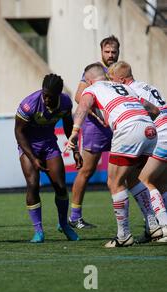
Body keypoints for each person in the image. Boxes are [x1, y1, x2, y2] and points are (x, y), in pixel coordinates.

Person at [67, 63, 163, 247]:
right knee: (135, 179)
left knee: (114, 182)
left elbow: (82, 107)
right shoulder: (126, 88)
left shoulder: (93, 88)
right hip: (149, 130)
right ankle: (153, 226)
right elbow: (154, 110)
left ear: (88, 80)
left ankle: (124, 235)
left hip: (129, 128)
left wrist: (74, 131)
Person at [15, 74, 82, 243]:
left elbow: (68, 126)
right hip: (29, 146)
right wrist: (32, 157)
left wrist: (75, 150)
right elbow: (19, 132)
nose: (45, 98)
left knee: (60, 186)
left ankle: (64, 225)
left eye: (49, 96)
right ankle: (38, 231)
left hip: (49, 144)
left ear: (58, 94)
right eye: (44, 94)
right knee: (33, 184)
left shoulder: (66, 103)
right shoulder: (29, 105)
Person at [109, 61, 167, 239]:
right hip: (165, 127)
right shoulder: (146, 86)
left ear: (121, 79)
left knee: (143, 180)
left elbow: (150, 113)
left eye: (112, 81)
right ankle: (156, 228)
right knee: (162, 183)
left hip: (162, 132)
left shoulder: (131, 92)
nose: (111, 85)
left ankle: (163, 226)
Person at [69, 35, 120, 229]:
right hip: (95, 128)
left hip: (116, 126)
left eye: (113, 51)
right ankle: (75, 217)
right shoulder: (95, 71)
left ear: (118, 52)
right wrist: (98, 115)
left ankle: (148, 213)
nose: (110, 55)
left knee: (131, 169)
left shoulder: (120, 70)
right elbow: (79, 96)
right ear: (101, 52)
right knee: (87, 171)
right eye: (107, 52)